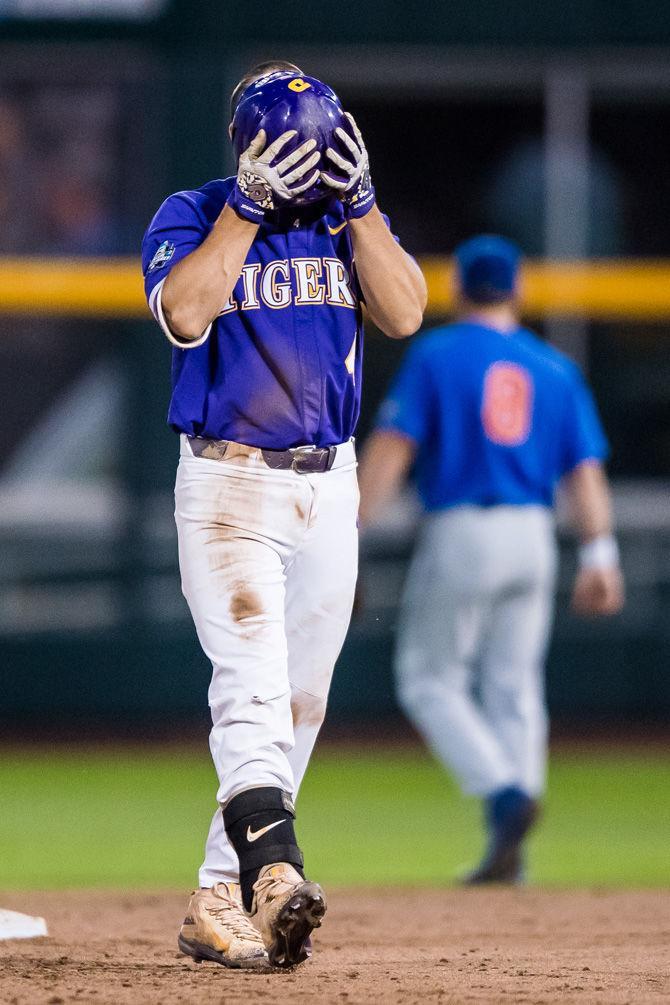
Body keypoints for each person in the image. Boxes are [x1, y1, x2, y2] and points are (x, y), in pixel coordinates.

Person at [141, 60, 425, 970]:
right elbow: (184, 314)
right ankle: (276, 871)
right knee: (252, 688)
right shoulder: (192, 210)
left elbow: (408, 310)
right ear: (248, 144)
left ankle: (218, 896)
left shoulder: (344, 224)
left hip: (327, 484)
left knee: (299, 703)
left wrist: (365, 206)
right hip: (232, 485)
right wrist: (247, 211)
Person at [357, 235, 623, 884]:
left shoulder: (438, 354)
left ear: (454, 290)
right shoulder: (553, 366)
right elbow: (585, 472)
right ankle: (514, 843)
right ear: (519, 292)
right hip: (535, 532)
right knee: (515, 686)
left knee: (428, 677)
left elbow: (393, 449)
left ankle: (505, 793)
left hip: (464, 528)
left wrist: (350, 533)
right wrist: (600, 552)